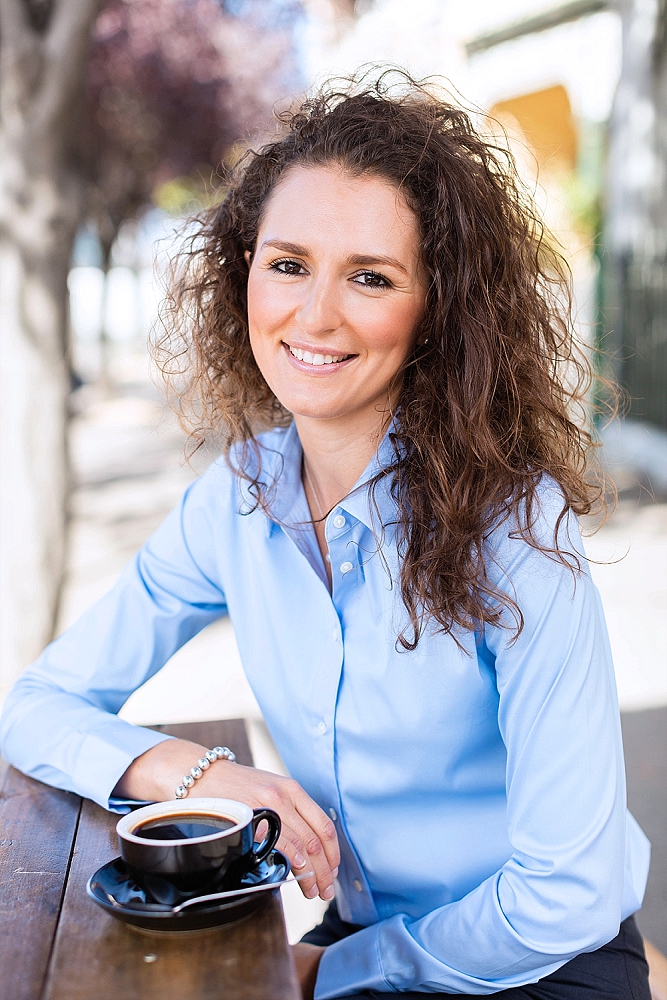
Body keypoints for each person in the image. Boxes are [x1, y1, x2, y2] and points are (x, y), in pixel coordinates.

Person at [0, 71, 652, 1000]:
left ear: (438, 309)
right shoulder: (236, 499)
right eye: (288, 263)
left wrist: (334, 969)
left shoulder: (513, 523)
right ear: (244, 272)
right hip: (355, 946)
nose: (314, 315)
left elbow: (567, 895)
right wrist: (201, 777)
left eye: (371, 278)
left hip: (533, 964)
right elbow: (34, 708)